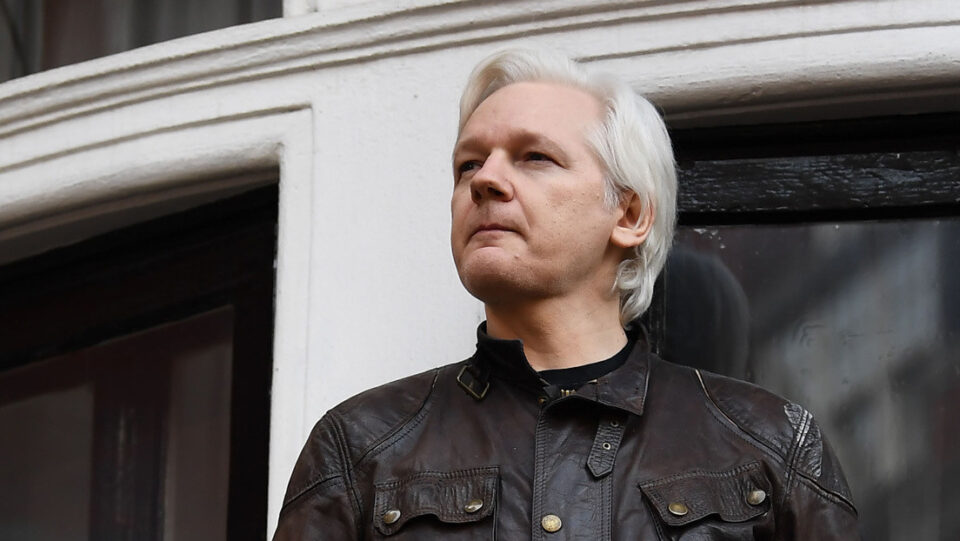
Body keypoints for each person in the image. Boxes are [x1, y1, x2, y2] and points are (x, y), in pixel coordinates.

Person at [272, 49, 859, 540]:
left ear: (629, 214)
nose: (485, 180)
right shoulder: (358, 447)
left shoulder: (772, 445)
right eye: (468, 164)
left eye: (535, 157)